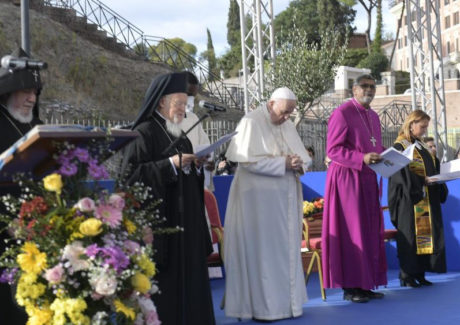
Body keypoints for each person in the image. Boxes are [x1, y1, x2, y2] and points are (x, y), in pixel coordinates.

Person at [120, 72, 215, 324]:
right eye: (179, 104)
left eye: (186, 104)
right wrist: (170, 165)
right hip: (161, 227)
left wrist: (196, 165)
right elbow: (129, 178)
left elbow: (186, 178)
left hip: (185, 228)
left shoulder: (180, 135)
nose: (184, 110)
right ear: (161, 102)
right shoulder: (143, 133)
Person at [223, 87, 311, 321]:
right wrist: (282, 164)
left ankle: (289, 305)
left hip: (285, 202)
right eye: (283, 112)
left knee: (286, 251)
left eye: (290, 113)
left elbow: (304, 157)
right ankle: (266, 309)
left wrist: (299, 162)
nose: (286, 118)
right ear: (271, 104)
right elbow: (247, 163)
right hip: (259, 205)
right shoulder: (251, 122)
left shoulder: (287, 124)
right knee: (264, 254)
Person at [322, 74, 387, 303]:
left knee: (369, 232)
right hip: (347, 180)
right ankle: (351, 288)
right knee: (353, 232)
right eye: (365, 86)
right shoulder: (342, 113)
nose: (369, 90)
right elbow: (333, 150)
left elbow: (374, 145)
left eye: (372, 86)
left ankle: (366, 284)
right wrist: (361, 157)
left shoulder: (374, 116)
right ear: (354, 89)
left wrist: (390, 155)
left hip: (368, 179)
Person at [0, 48, 43, 325]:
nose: (32, 98)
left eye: (36, 92)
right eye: (26, 90)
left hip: (38, 231)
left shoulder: (38, 126)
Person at [388, 110, 448, 287]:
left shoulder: (421, 146)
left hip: (425, 197)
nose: (424, 130)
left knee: (425, 237)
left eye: (426, 127)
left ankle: (420, 273)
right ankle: (407, 275)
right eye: (422, 126)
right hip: (409, 199)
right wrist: (421, 181)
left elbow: (432, 166)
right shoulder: (400, 146)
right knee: (410, 236)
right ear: (411, 124)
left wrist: (437, 177)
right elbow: (398, 175)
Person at [177, 71, 214, 190]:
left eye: (193, 96)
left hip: (195, 185)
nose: (191, 101)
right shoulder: (164, 120)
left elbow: (205, 148)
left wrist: (208, 163)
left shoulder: (193, 118)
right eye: (188, 95)